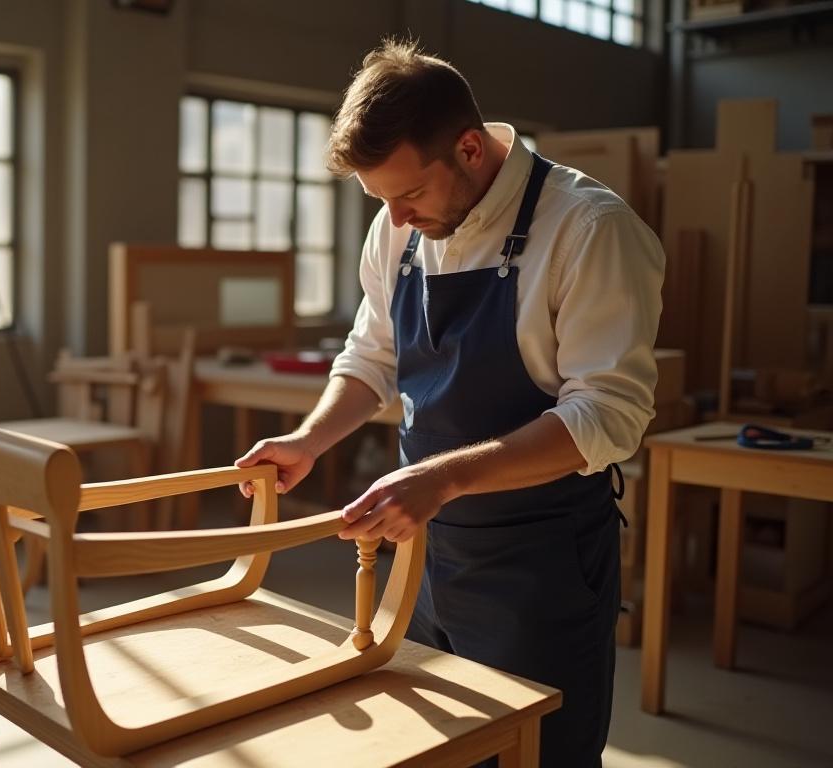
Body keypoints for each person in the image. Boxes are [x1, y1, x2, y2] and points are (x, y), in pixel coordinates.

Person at [234, 39, 664, 768]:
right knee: (432, 748)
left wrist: (444, 476)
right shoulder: (398, 228)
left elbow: (607, 417)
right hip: (423, 555)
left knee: (538, 752)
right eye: (381, 202)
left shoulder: (589, 229)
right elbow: (372, 358)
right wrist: (310, 440)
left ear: (469, 148)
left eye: (408, 196)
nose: (396, 219)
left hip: (541, 561)